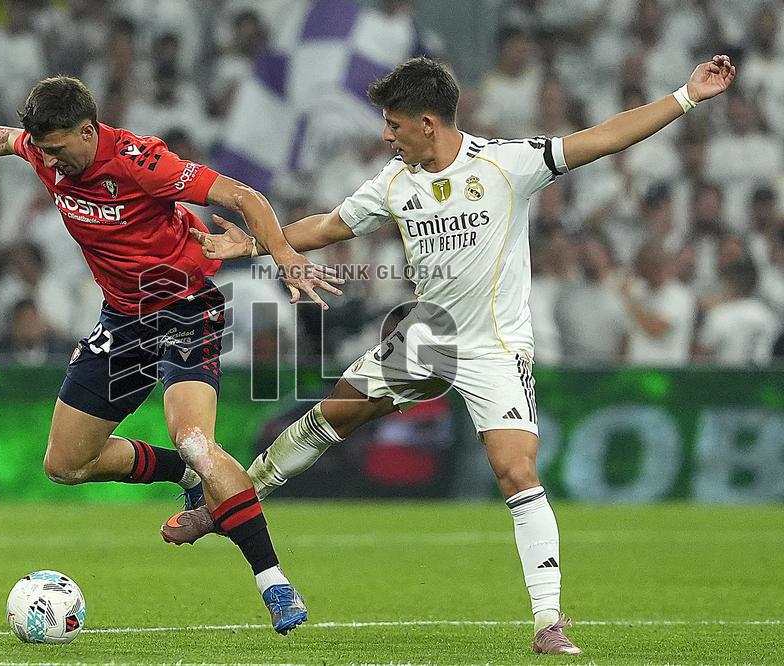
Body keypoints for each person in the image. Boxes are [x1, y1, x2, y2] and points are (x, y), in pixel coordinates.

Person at [163, 54, 737, 655]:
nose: (386, 134)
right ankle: (223, 506)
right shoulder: (394, 180)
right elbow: (331, 226)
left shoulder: (506, 164)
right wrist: (255, 244)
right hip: (426, 337)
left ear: (428, 122)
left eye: (394, 123)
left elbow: (603, 138)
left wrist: (687, 96)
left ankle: (548, 622)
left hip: (495, 347)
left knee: (516, 471)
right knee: (329, 416)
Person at [0, 75, 341, 634]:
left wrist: (282, 253)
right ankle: (179, 470)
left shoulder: (141, 162)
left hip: (185, 311)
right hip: (122, 321)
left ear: (89, 132)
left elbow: (243, 196)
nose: (51, 163)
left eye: (61, 149)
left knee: (197, 439)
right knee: (65, 465)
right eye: (43, 150)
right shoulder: (44, 152)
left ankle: (274, 583)